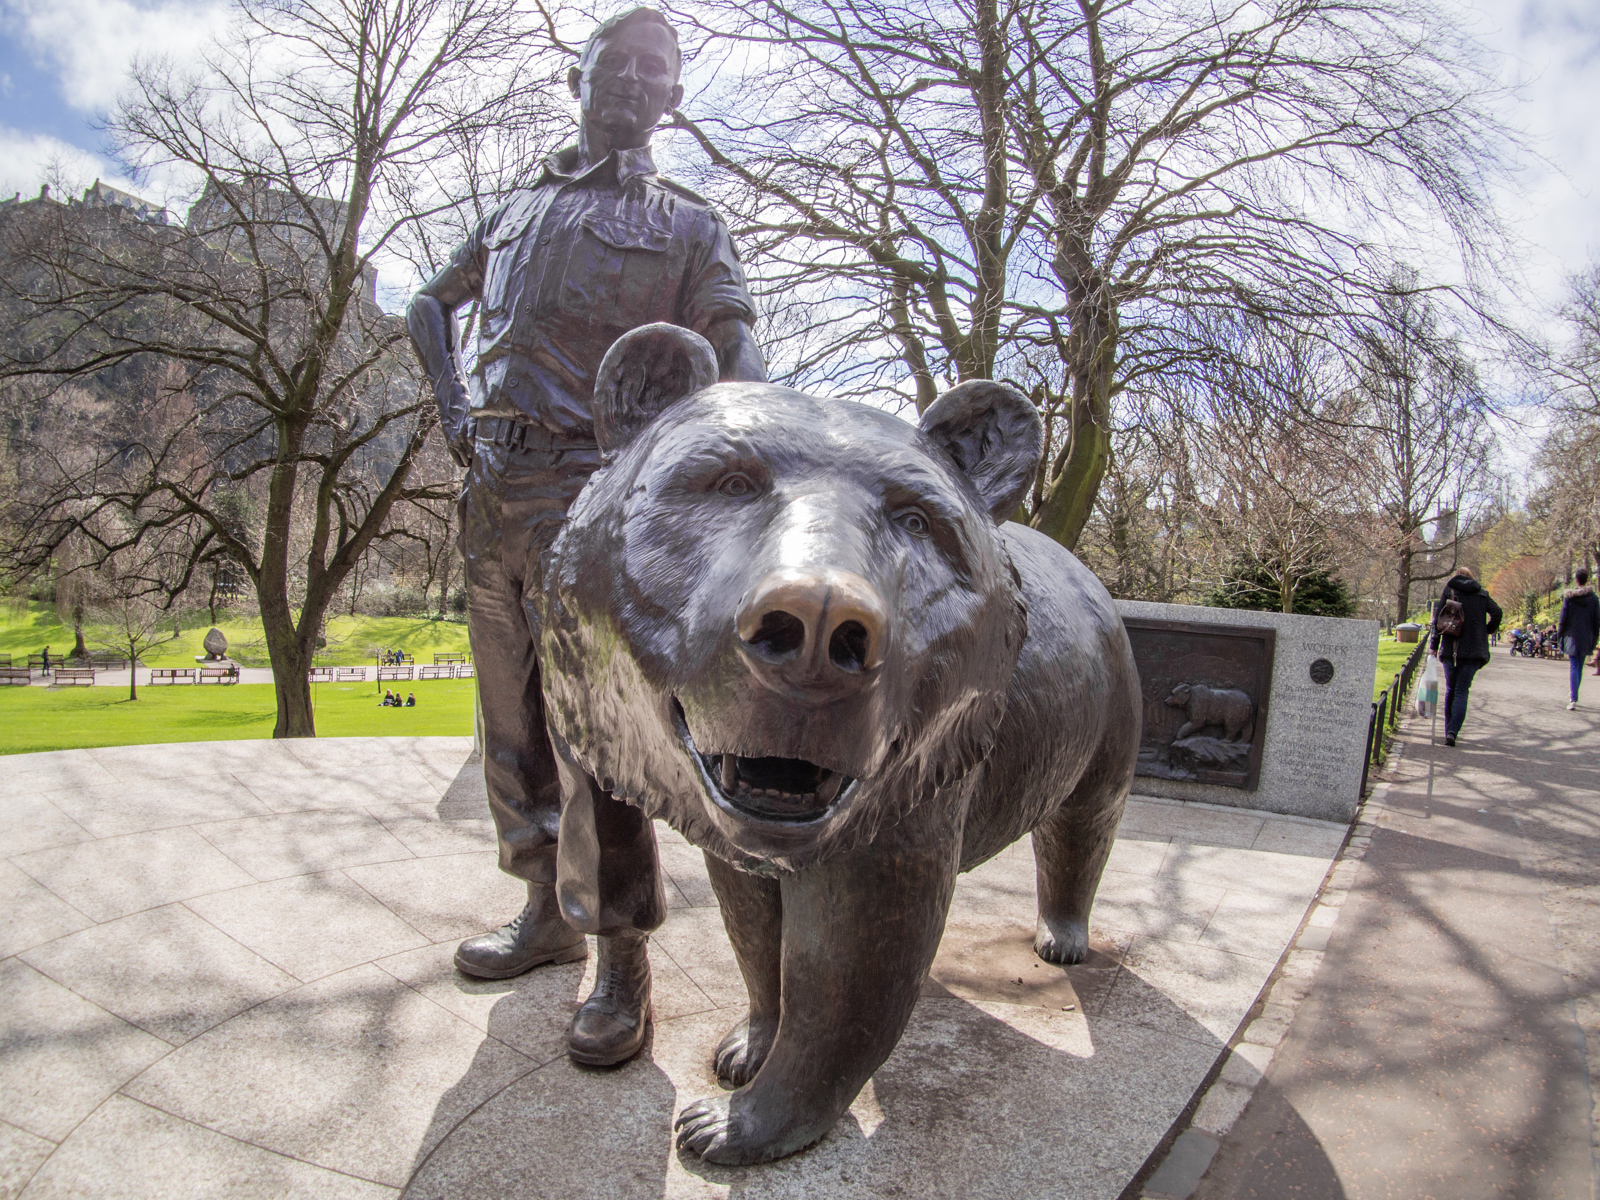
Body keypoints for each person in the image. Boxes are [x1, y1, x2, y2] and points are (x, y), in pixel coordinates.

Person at [406, 7, 765, 1067]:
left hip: (593, 493)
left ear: (673, 99)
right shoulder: (518, 204)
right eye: (620, 61)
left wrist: (751, 435)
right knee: (509, 725)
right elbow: (429, 302)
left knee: (597, 737)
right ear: (582, 75)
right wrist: (449, 406)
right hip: (491, 488)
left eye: (658, 70)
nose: (636, 80)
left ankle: (621, 961)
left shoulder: (689, 222)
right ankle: (543, 911)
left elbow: (733, 342)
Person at [1428, 566, 1502, 747]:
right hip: (1474, 651)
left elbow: (1438, 620)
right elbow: (1497, 612)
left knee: (1451, 690)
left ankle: (1448, 731)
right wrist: (1486, 630)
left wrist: (1434, 646)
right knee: (1462, 690)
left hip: (1450, 648)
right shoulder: (1481, 594)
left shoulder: (1450, 591)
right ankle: (1453, 731)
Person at [1558, 569, 1600, 709]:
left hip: (1572, 635)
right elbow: (1596, 620)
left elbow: (1563, 618)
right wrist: (1595, 637)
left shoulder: (1570, 597)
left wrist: (1560, 634)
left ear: (1576, 580)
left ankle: (1573, 697)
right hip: (1586, 635)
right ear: (1586, 579)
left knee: (1574, 666)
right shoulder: (1593, 598)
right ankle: (1574, 694)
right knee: (1579, 666)